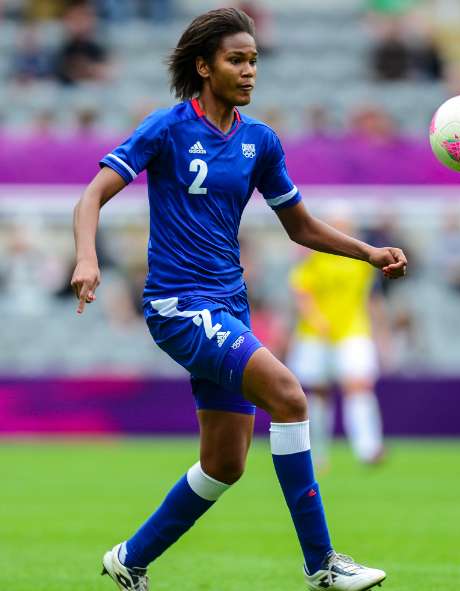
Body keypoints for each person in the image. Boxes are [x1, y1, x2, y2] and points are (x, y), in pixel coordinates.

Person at [70, 8, 406, 591]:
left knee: (225, 463)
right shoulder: (167, 129)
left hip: (228, 305)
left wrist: (367, 252)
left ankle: (130, 558)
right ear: (204, 66)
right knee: (289, 395)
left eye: (254, 60)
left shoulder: (260, 142)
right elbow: (91, 195)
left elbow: (299, 227)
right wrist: (87, 257)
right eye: (236, 60)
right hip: (179, 306)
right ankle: (322, 563)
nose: (249, 71)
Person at [287, 210, 385, 470]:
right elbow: (301, 291)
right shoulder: (314, 258)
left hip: (352, 331)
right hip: (315, 334)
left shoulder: (361, 259)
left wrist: (379, 330)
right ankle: (317, 454)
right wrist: (316, 318)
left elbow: (369, 297)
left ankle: (369, 449)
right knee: (318, 392)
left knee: (359, 386)